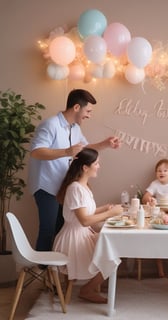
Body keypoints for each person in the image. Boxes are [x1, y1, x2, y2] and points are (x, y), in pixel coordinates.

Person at [28, 89, 121, 253]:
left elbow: (84, 148)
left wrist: (105, 144)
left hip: (63, 187)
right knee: (48, 230)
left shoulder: (75, 128)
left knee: (60, 230)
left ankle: (56, 272)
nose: (89, 115)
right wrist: (65, 152)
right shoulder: (50, 125)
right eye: (88, 111)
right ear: (77, 107)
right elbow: (36, 151)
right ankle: (43, 273)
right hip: (46, 187)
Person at [53, 148, 123, 304]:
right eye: (96, 163)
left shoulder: (84, 187)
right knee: (111, 257)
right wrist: (110, 214)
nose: (99, 166)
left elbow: (85, 212)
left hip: (82, 234)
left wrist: (104, 208)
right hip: (74, 239)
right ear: (85, 167)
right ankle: (87, 290)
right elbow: (84, 220)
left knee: (112, 251)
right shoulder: (75, 188)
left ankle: (93, 285)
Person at [142, 158, 168, 278]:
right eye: (159, 171)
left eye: (165, 170)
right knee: (158, 241)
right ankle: (161, 271)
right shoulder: (155, 184)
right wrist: (149, 199)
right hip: (160, 212)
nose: (162, 173)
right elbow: (145, 198)